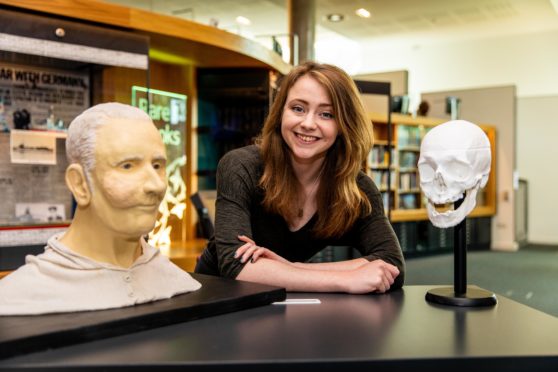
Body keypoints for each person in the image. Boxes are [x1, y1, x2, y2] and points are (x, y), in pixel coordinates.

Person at [195, 61, 404, 294]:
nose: (307, 123)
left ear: (344, 125)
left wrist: (288, 267)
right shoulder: (240, 166)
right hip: (215, 298)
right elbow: (236, 267)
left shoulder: (357, 189)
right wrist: (346, 278)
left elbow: (392, 265)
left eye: (326, 114)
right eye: (298, 108)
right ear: (280, 112)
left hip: (279, 303)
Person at [0, 102, 201, 316]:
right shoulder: (18, 297)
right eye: (127, 166)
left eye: (157, 166)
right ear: (80, 184)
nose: (157, 185)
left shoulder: (174, 280)